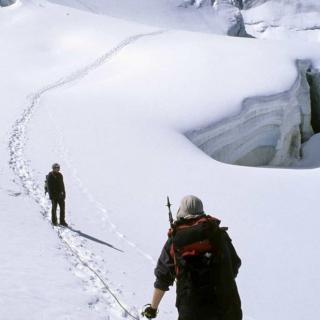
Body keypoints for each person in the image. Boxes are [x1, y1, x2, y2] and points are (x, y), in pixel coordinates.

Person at [142, 195, 242, 320]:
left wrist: (153, 308)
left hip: (191, 310)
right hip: (227, 307)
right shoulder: (218, 234)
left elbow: (163, 277)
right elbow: (235, 264)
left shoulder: (175, 240)